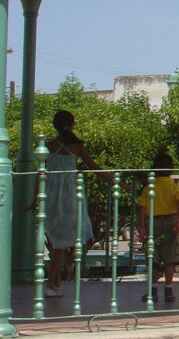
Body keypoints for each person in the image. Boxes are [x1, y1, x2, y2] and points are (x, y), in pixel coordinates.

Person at [44, 110, 114, 298]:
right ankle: (54, 282)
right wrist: (117, 182)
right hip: (70, 193)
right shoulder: (76, 146)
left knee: (57, 242)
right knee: (66, 241)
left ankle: (54, 282)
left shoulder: (48, 145)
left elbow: (42, 173)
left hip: (51, 193)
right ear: (72, 124)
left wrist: (35, 199)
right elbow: (94, 167)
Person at [137, 152, 179, 302]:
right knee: (170, 259)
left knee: (153, 259)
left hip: (153, 223)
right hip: (170, 222)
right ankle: (168, 289)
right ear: (171, 170)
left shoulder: (149, 188)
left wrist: (141, 227)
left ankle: (153, 290)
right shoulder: (174, 187)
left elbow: (142, 208)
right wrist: (178, 222)